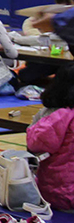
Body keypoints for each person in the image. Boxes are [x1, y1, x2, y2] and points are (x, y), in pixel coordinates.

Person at [26, 64, 74, 213]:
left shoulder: (53, 115)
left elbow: (33, 145)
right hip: (64, 193)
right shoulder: (61, 117)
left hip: (54, 191)